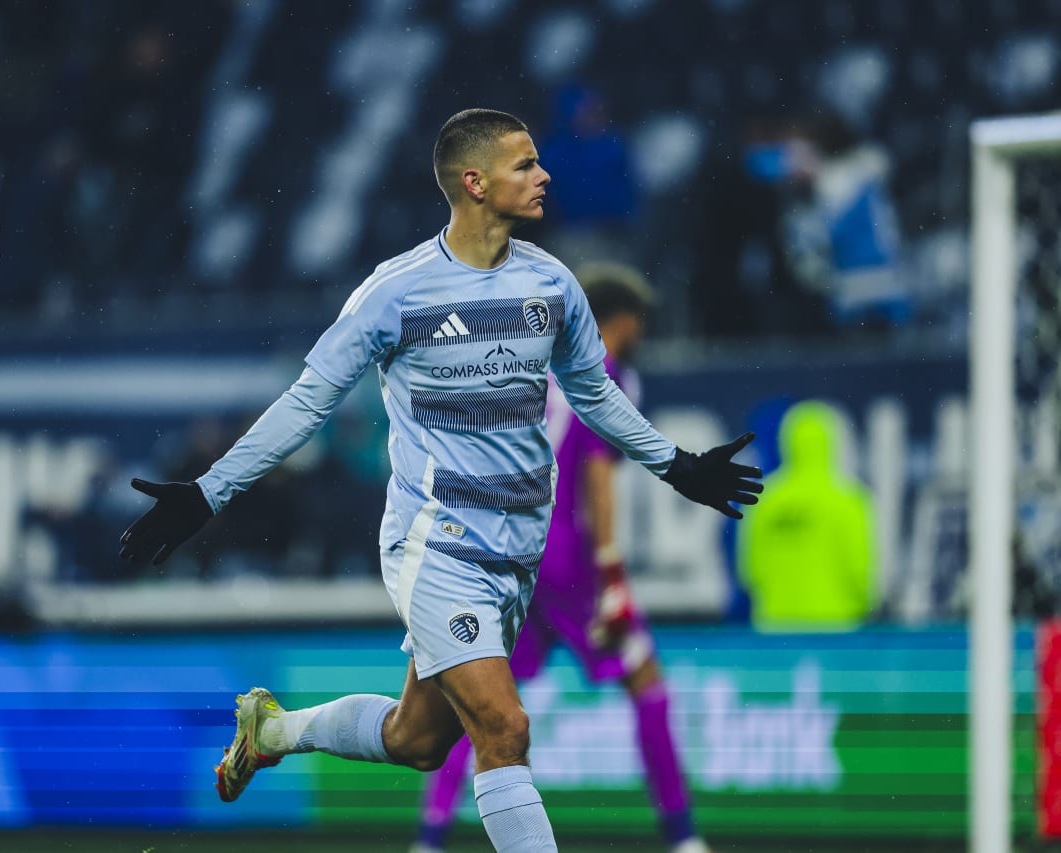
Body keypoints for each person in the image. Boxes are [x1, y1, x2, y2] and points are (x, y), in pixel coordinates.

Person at [119, 108, 763, 852]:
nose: (543, 174)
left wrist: (677, 465)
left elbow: (594, 394)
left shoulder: (551, 284)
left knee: (420, 738)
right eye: (524, 164)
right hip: (438, 547)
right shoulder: (396, 292)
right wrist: (210, 491)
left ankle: (274, 729)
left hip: (517, 553)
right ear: (474, 181)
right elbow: (307, 401)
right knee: (505, 726)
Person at [409, 263, 713, 853]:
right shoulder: (605, 373)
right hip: (570, 563)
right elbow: (597, 471)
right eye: (636, 324)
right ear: (618, 321)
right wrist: (614, 575)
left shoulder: (529, 361)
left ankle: (431, 836)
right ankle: (684, 839)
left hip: (510, 557)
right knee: (648, 684)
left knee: (480, 707)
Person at [737, 399, 874, 632]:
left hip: (777, 626)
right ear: (832, 442)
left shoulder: (765, 499)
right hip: (837, 624)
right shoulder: (849, 499)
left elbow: (750, 572)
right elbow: (860, 571)